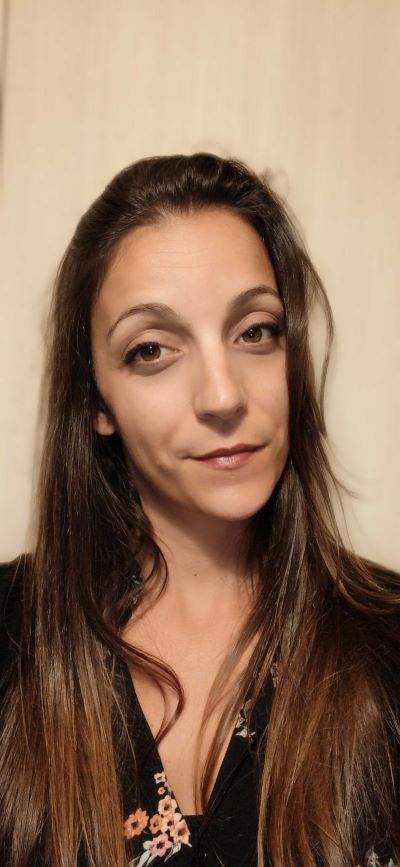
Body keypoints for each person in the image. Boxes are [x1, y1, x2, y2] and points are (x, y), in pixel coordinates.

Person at [0, 153, 399, 867]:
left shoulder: (388, 639)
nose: (223, 396)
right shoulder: (11, 637)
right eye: (152, 349)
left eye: (255, 331)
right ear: (96, 402)